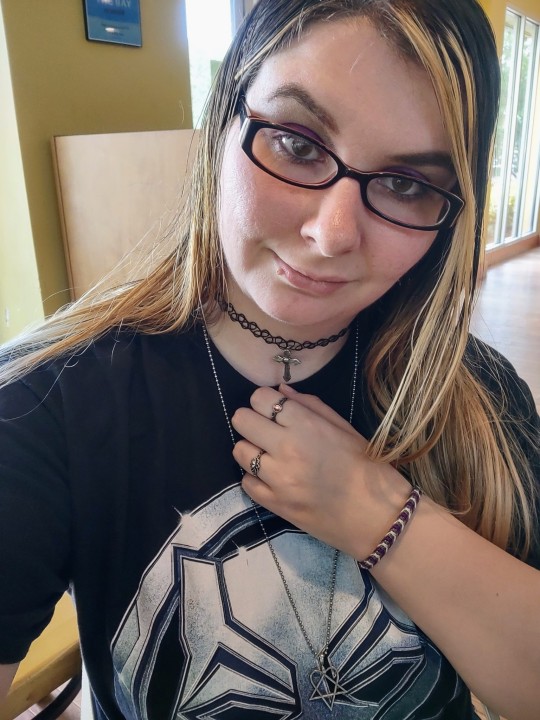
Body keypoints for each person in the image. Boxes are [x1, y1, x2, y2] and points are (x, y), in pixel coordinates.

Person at [0, 0, 538, 718]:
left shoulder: (482, 397)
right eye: (297, 143)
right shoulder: (39, 404)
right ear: (223, 121)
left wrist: (379, 516)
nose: (332, 233)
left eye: (406, 184)